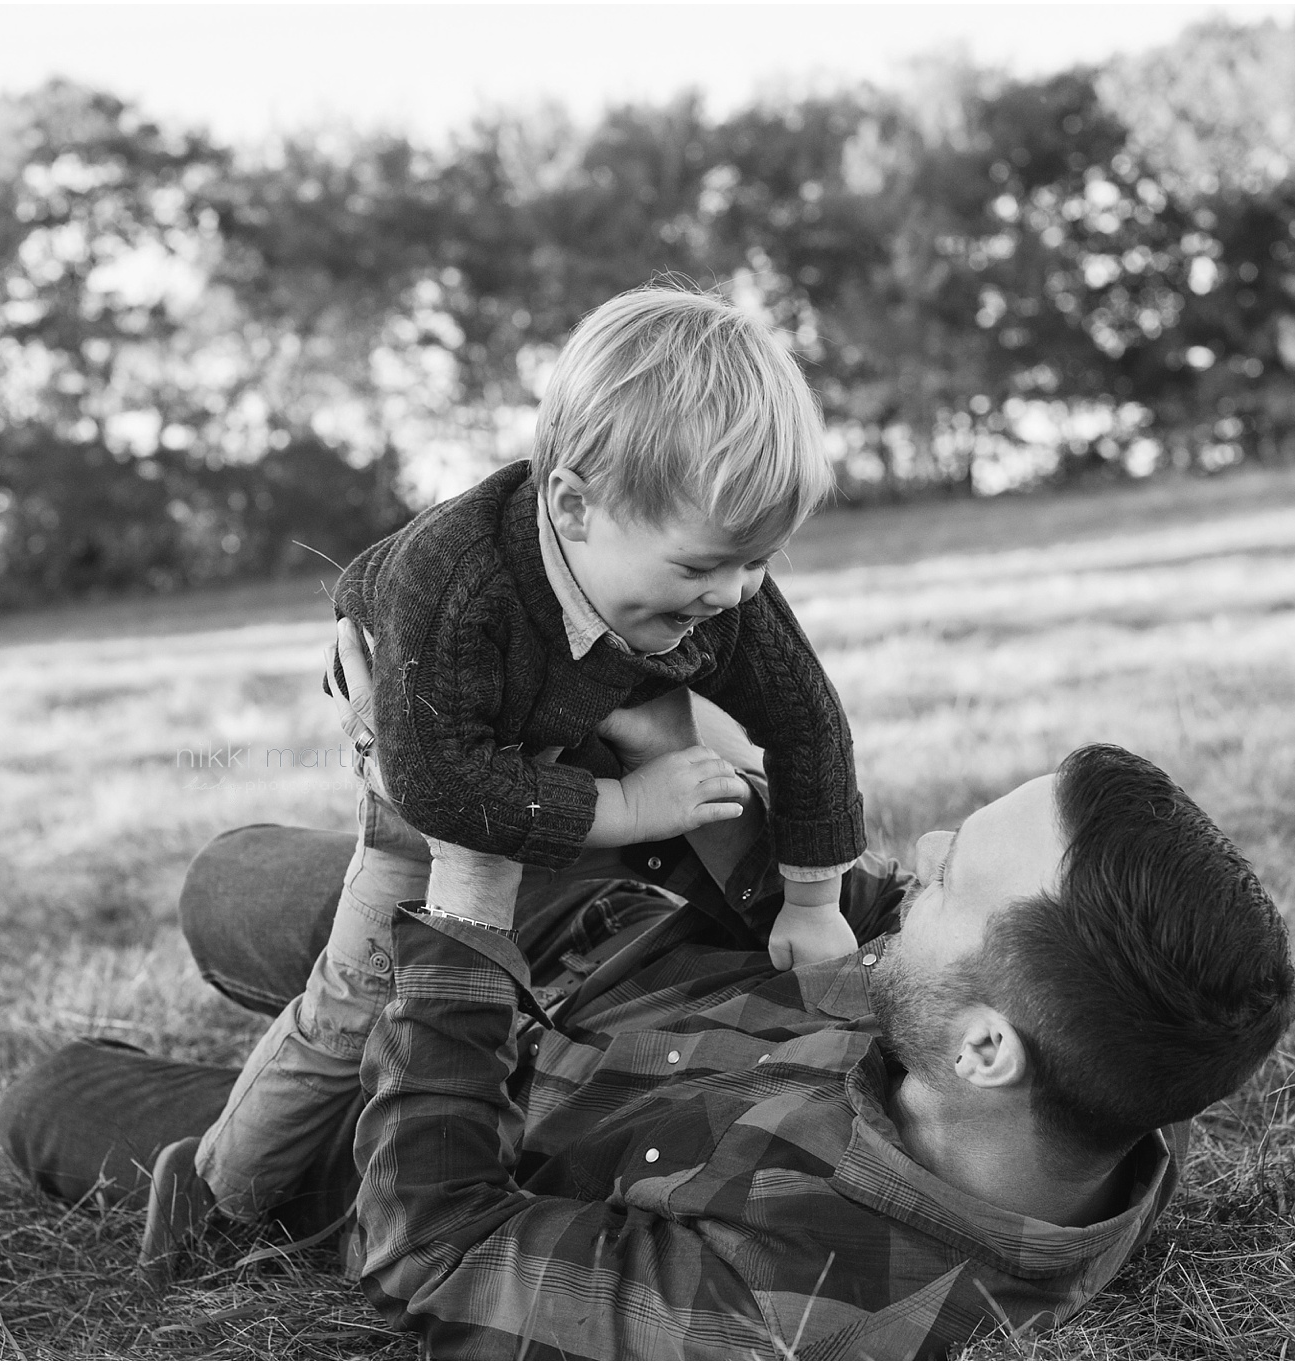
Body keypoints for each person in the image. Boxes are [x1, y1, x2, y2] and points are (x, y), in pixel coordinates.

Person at [0, 624, 1295, 1358]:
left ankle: (287, 1058)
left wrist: (459, 900)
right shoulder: (1092, 1063)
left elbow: (433, 1250)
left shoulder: (789, 1315)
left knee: (56, 1098)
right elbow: (830, 915)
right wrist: (661, 732)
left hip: (423, 1121)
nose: (924, 855)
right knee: (225, 885)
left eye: (961, 879)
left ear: (981, 1052)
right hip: (618, 957)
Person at [192, 283, 871, 1226]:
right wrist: (636, 805)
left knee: (538, 943)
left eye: (758, 562)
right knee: (356, 1004)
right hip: (432, 756)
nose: (734, 592)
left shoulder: (712, 583)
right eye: (703, 567)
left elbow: (809, 721)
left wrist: (813, 900)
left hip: (558, 720)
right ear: (575, 507)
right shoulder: (458, 586)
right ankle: (216, 1196)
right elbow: (441, 788)